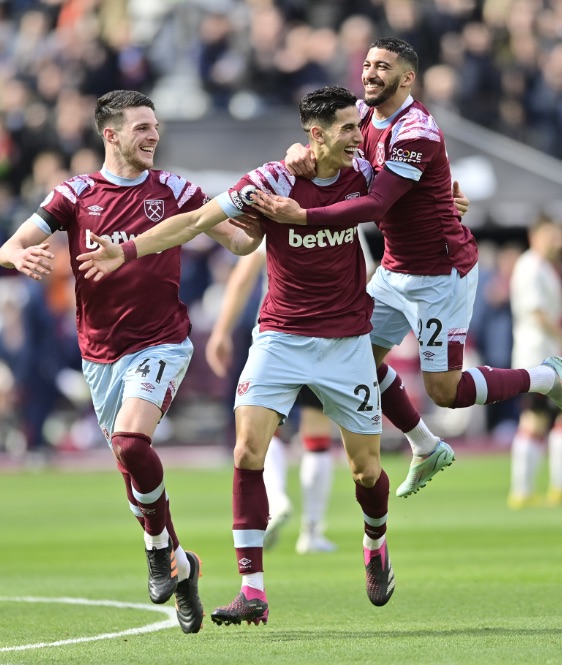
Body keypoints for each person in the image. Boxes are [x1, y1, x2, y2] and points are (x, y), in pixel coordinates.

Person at [77, 86, 396, 626]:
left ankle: (375, 543)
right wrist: (126, 250)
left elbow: (406, 209)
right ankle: (253, 591)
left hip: (346, 340)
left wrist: (448, 209)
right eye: (346, 127)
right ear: (315, 134)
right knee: (248, 450)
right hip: (280, 336)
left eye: (356, 126)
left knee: (366, 470)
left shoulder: (364, 174)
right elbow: (195, 222)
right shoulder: (270, 178)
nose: (357, 135)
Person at [258, 37, 562, 499]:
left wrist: (304, 216)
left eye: (382, 67)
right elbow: (324, 130)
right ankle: (424, 444)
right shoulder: (363, 113)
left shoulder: (418, 131)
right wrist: (299, 148)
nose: (370, 73)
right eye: (368, 64)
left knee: (445, 391)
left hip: (440, 274)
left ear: (407, 78)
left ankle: (547, 377)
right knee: (356, 358)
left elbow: (375, 204)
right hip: (395, 268)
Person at [0, 90, 263, 634]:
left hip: (162, 343)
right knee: (129, 466)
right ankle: (180, 564)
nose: (153, 136)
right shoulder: (75, 194)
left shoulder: (177, 190)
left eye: (156, 127)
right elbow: (10, 245)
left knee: (130, 443)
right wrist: (18, 254)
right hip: (100, 354)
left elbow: (237, 242)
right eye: (141, 128)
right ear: (110, 135)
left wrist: (264, 217)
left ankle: (154, 552)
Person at [205, 248, 339, 555]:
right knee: (316, 431)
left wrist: (221, 331)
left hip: (275, 335)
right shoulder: (342, 208)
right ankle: (312, 532)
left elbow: (243, 275)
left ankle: (276, 500)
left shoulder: (275, 209)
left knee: (265, 428)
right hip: (327, 332)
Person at [507, 216, 562, 508]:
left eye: (561, 235)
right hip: (536, 355)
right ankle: (522, 491)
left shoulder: (548, 267)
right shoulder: (530, 267)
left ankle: (560, 487)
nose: (560, 242)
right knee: (535, 419)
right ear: (535, 236)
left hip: (550, 354)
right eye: (553, 236)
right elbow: (537, 313)